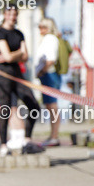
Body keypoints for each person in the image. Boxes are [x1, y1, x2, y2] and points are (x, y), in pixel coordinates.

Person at [0, 7, 41, 155]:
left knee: (33, 105)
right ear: (5, 15)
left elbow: (24, 56)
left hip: (17, 73)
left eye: (15, 14)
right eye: (10, 14)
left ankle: (27, 140)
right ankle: (3, 145)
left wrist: (14, 55)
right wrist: (18, 53)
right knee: (5, 109)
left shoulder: (19, 34)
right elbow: (7, 57)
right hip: (3, 75)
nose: (13, 17)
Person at [35, 18, 62, 147]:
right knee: (49, 106)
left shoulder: (50, 39)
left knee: (52, 106)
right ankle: (52, 135)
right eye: (39, 26)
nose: (40, 29)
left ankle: (54, 136)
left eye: (43, 27)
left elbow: (51, 59)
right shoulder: (46, 39)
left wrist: (41, 71)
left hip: (50, 75)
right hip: (47, 75)